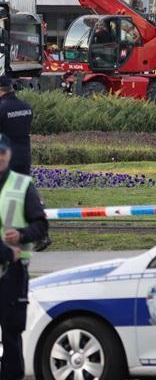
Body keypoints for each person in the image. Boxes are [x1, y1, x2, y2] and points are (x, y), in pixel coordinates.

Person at [0, 132, 48, 380]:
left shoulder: (22, 185)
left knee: (11, 333)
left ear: (8, 155)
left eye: (1, 153)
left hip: (12, 273)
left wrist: (21, 235)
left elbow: (41, 228)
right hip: (8, 258)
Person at [0, 76, 33, 175]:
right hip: (24, 156)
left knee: (6, 188)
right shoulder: (26, 106)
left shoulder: (2, 108)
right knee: (20, 188)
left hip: (6, 158)